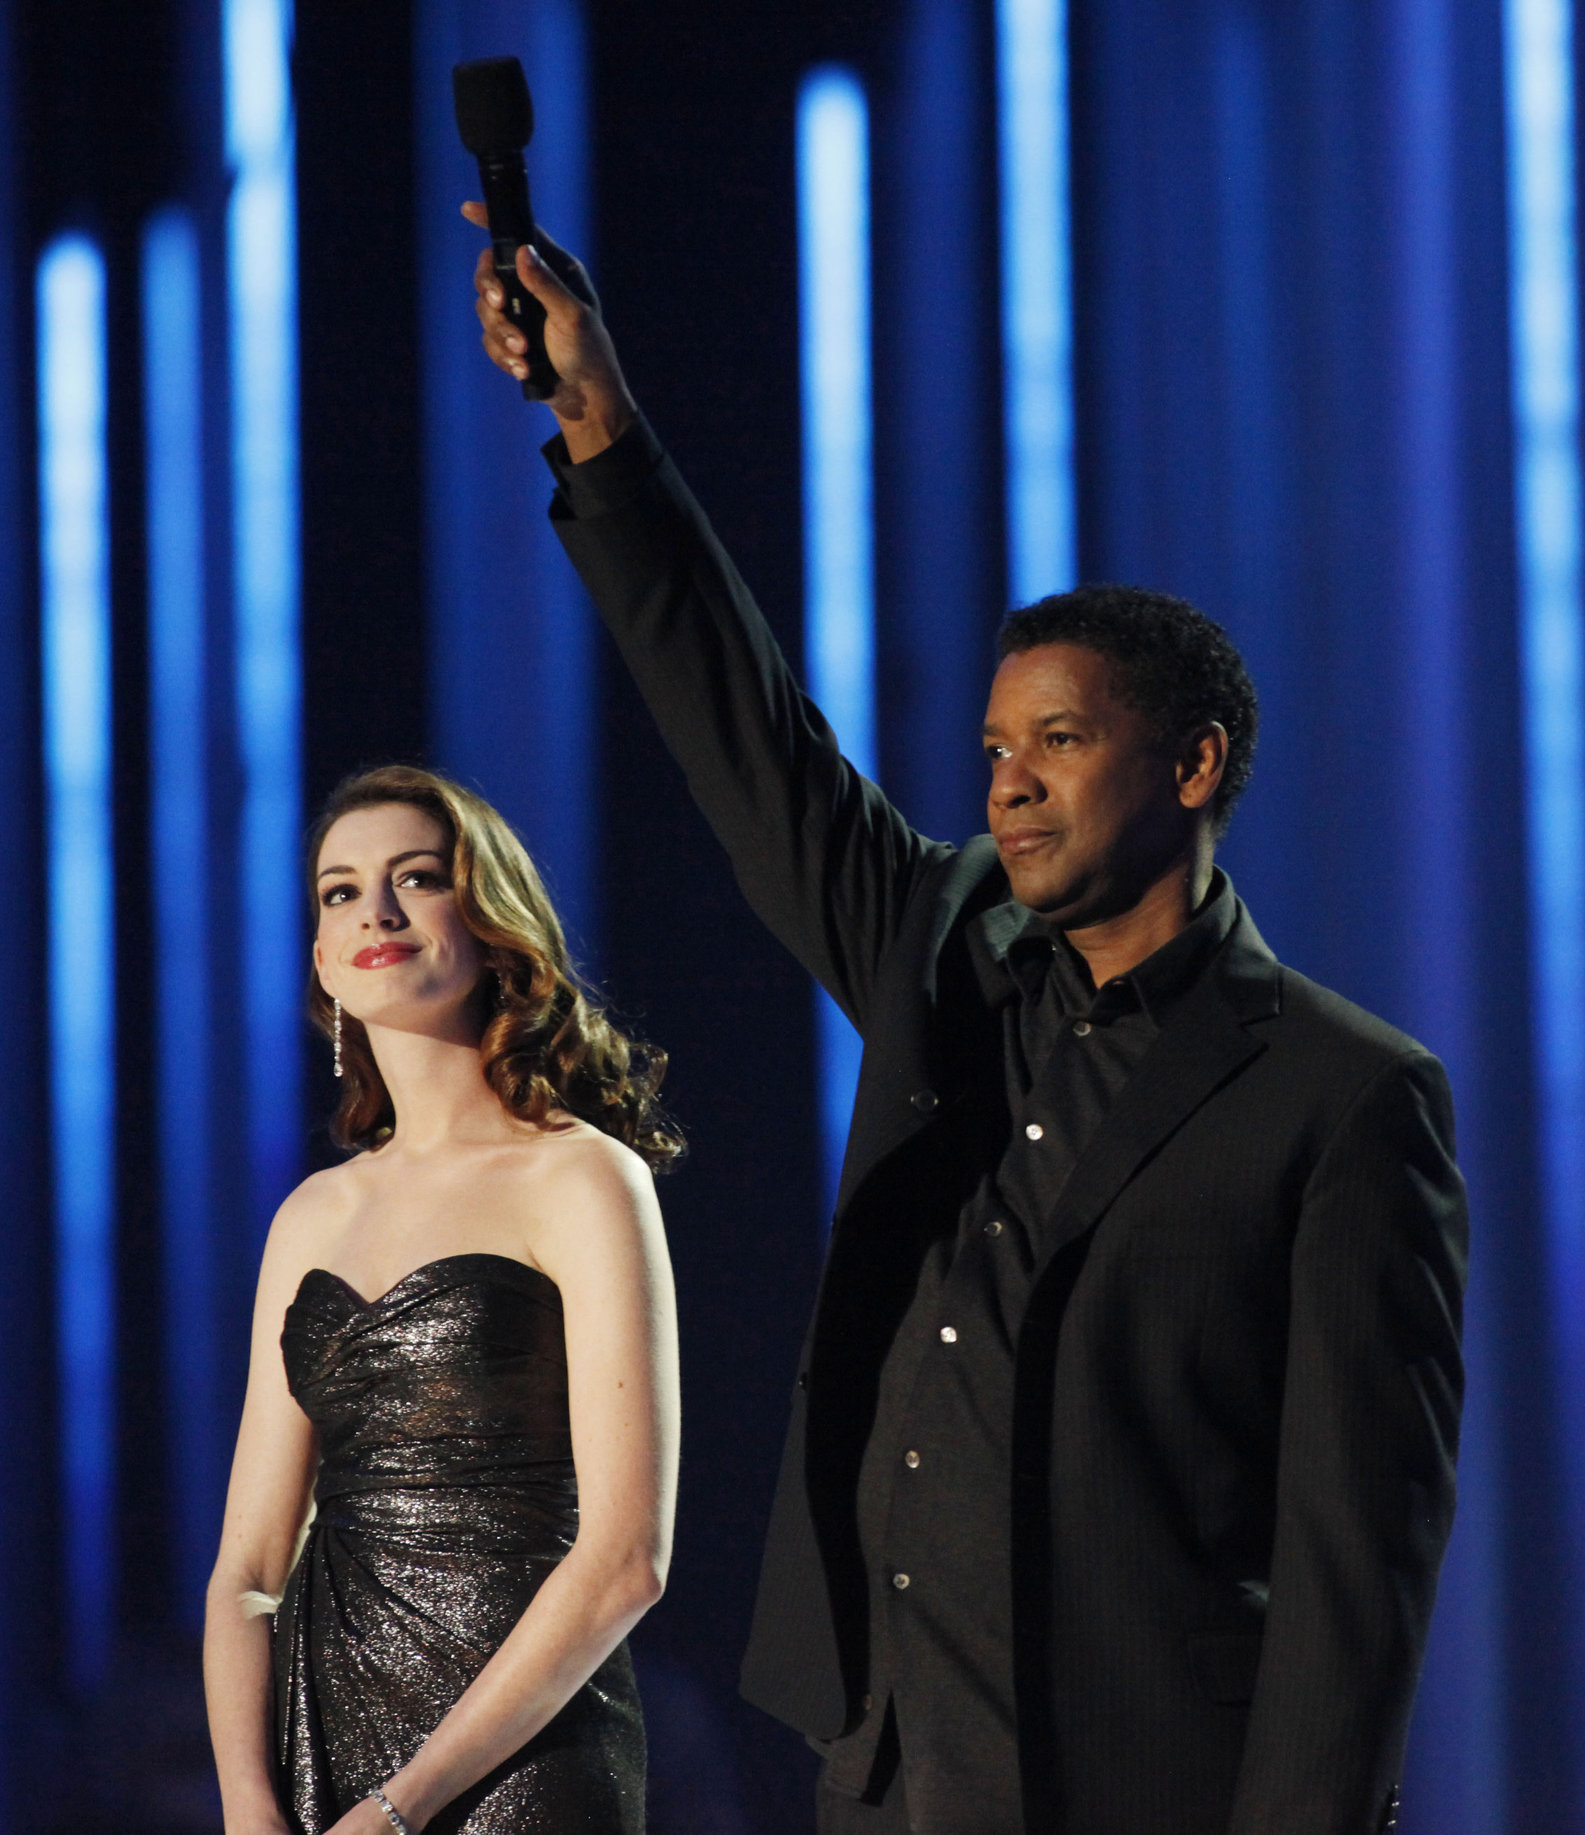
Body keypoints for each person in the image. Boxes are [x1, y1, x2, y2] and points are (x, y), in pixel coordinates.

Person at [466, 216, 1467, 1835]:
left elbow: (1359, 1562)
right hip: (889, 1767)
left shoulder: (1343, 1097)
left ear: (1192, 766)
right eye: (997, 746)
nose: (1007, 783)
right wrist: (600, 423)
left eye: (1058, 742)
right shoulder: (939, 945)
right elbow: (757, 743)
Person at [204, 764, 681, 1835]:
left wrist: (399, 1807)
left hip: (524, 1756)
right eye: (339, 891)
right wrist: (247, 1803)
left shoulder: (580, 1177)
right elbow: (246, 1570)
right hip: (318, 1741)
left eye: (415, 877)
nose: (375, 909)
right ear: (322, 957)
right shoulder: (311, 1215)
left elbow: (625, 1561)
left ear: (490, 922)